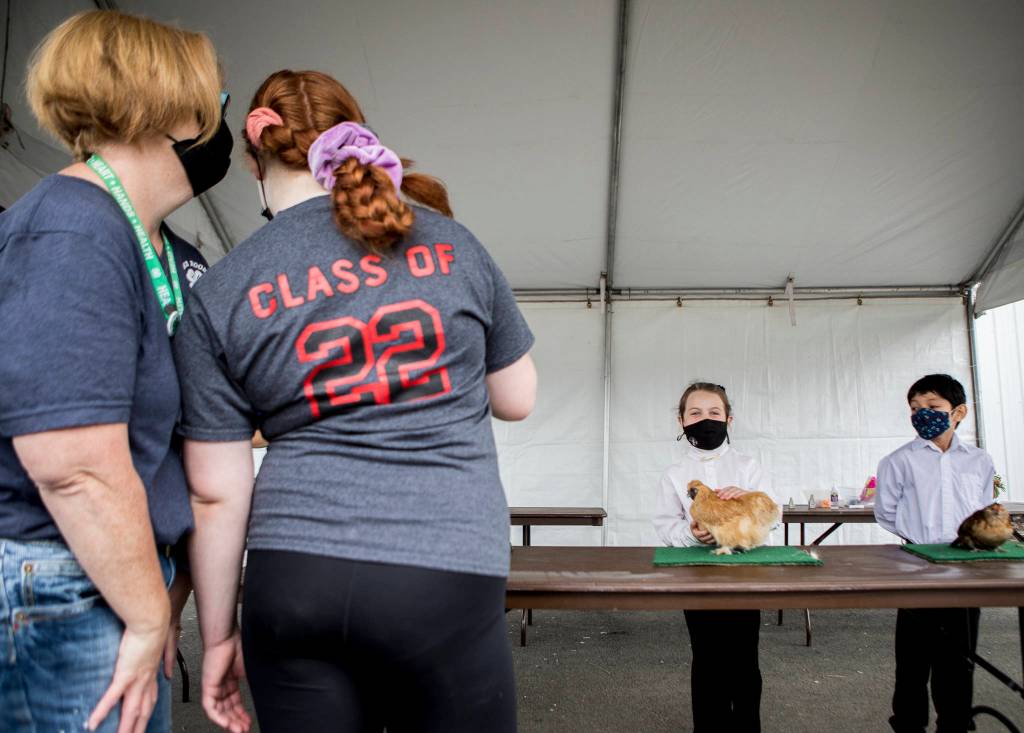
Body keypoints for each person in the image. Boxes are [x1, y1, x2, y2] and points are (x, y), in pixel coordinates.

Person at [173, 69, 537, 733]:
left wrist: (219, 634)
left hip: (295, 576)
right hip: (444, 567)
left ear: (254, 162)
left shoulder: (222, 288)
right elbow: (518, 397)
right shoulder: (450, 243)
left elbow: (216, 492)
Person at [0, 10, 230, 733]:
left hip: (100, 577)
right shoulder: (74, 228)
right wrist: (143, 612)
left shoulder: (133, 233)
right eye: (212, 102)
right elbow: (72, 463)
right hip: (65, 584)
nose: (218, 122)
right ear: (167, 110)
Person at [875, 374, 994, 733]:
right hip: (916, 569)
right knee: (912, 660)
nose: (922, 414)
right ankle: (909, 724)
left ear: (958, 412)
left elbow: (984, 509)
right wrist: (918, 540)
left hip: (966, 570)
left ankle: (956, 723)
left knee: (958, 659)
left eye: (933, 407)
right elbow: (885, 511)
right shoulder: (898, 461)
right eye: (914, 408)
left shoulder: (979, 460)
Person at [652, 381, 769, 732]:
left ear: (729, 419)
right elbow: (664, 525)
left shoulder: (749, 467)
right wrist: (691, 532)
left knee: (745, 658)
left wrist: (750, 500)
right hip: (697, 574)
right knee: (706, 658)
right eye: (696, 413)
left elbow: (772, 519)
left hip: (745, 576)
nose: (706, 419)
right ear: (681, 420)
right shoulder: (674, 475)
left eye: (715, 413)